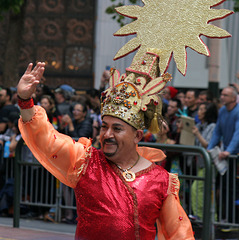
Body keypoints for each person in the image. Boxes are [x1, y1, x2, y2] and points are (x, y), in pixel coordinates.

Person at [17, 60, 194, 239]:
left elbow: (179, 233)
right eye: (104, 127)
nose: (107, 134)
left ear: (137, 136)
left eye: (117, 129)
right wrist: (25, 101)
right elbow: (47, 139)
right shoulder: (84, 161)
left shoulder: (161, 180)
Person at [207, 86, 239, 225]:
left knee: (232, 189)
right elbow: (217, 132)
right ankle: (224, 218)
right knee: (225, 188)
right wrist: (209, 149)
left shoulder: (238, 111)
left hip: (234, 155)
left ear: (233, 98)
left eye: (225, 95)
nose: (222, 97)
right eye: (222, 94)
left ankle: (232, 220)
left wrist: (229, 151)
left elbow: (238, 133)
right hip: (227, 155)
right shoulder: (222, 111)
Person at [191, 102, 218, 220]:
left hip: (210, 163)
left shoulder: (212, 126)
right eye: (199, 109)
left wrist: (197, 134)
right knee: (203, 189)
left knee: (197, 188)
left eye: (202, 109)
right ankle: (207, 217)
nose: (199, 112)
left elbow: (208, 144)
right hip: (200, 164)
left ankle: (202, 216)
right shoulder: (200, 125)